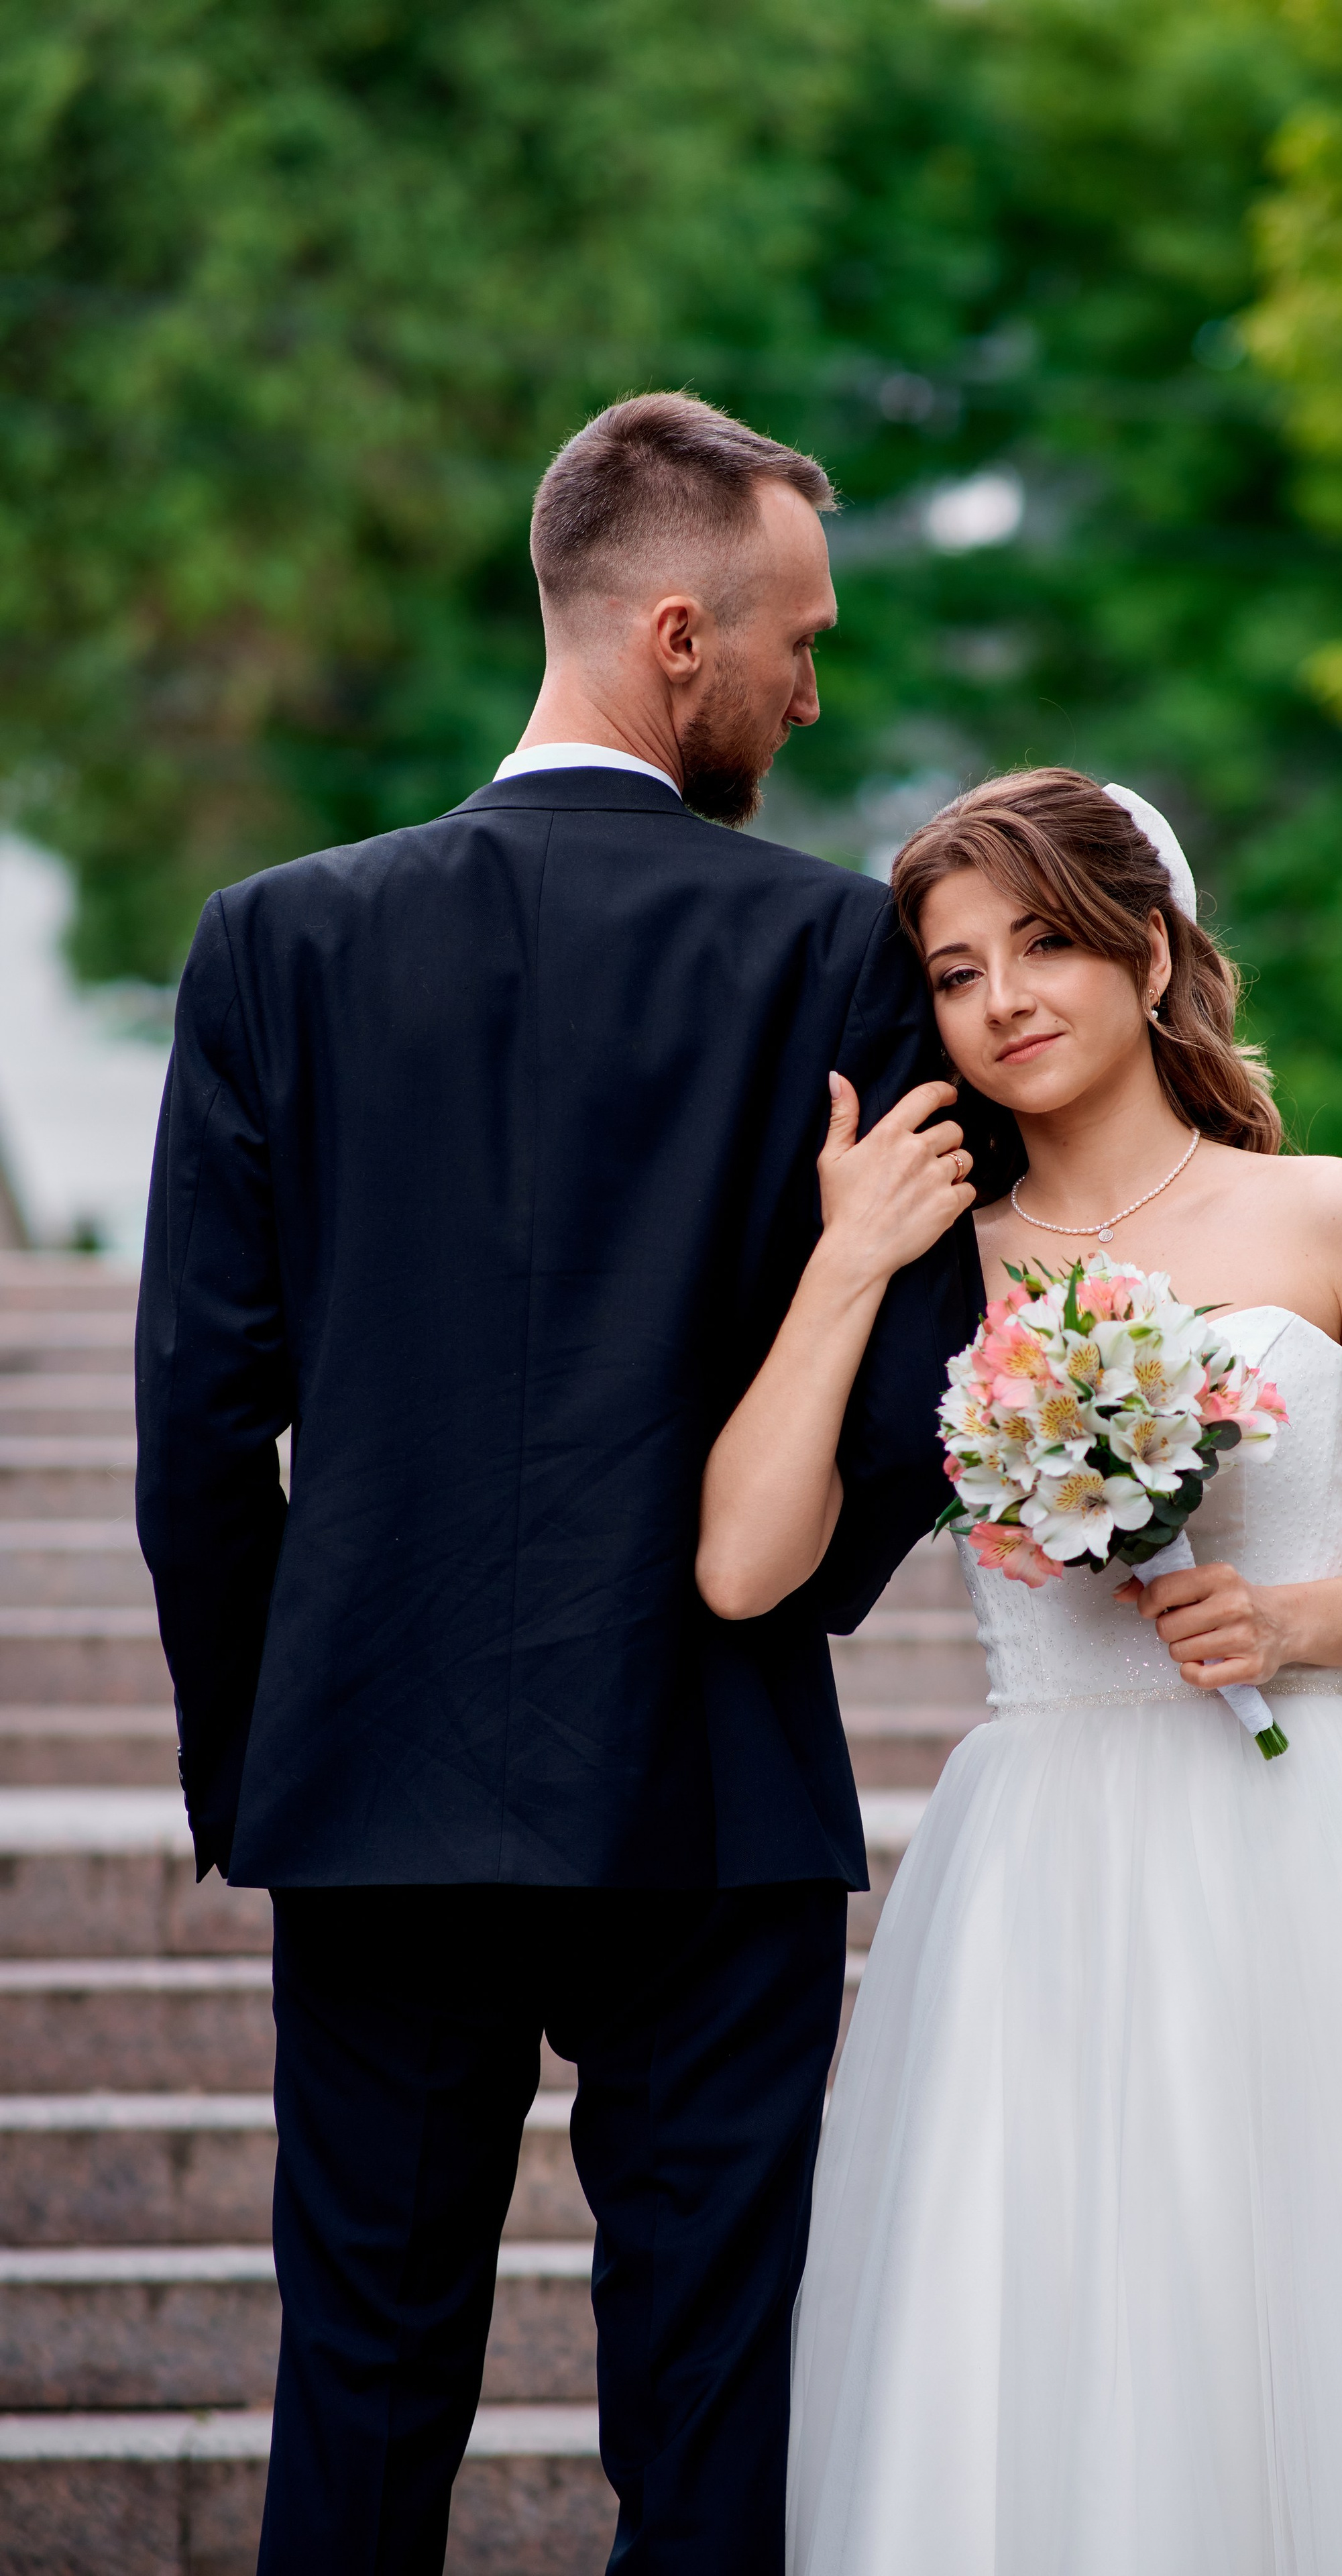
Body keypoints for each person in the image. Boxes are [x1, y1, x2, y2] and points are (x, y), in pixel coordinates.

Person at [133, 392, 976, 2575]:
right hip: (711, 1785)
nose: (817, 689)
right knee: (710, 2416)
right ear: (677, 636)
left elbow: (203, 1430)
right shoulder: (829, 955)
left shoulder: (275, 947)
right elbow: (908, 1401)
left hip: (375, 1771)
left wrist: (267, 1765)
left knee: (363, 2387)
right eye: (797, 642)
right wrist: (769, 1596)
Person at [699, 765, 1342, 2571]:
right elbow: (747, 1560)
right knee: (1060, 2313)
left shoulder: (1331, 1212)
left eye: (1044, 945)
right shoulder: (942, 1258)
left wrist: (1296, 1623)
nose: (1001, 997)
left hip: (1309, 1834)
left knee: (1337, 2323)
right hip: (1040, 1860)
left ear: (1147, 951)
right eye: (950, 971)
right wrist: (850, 1259)